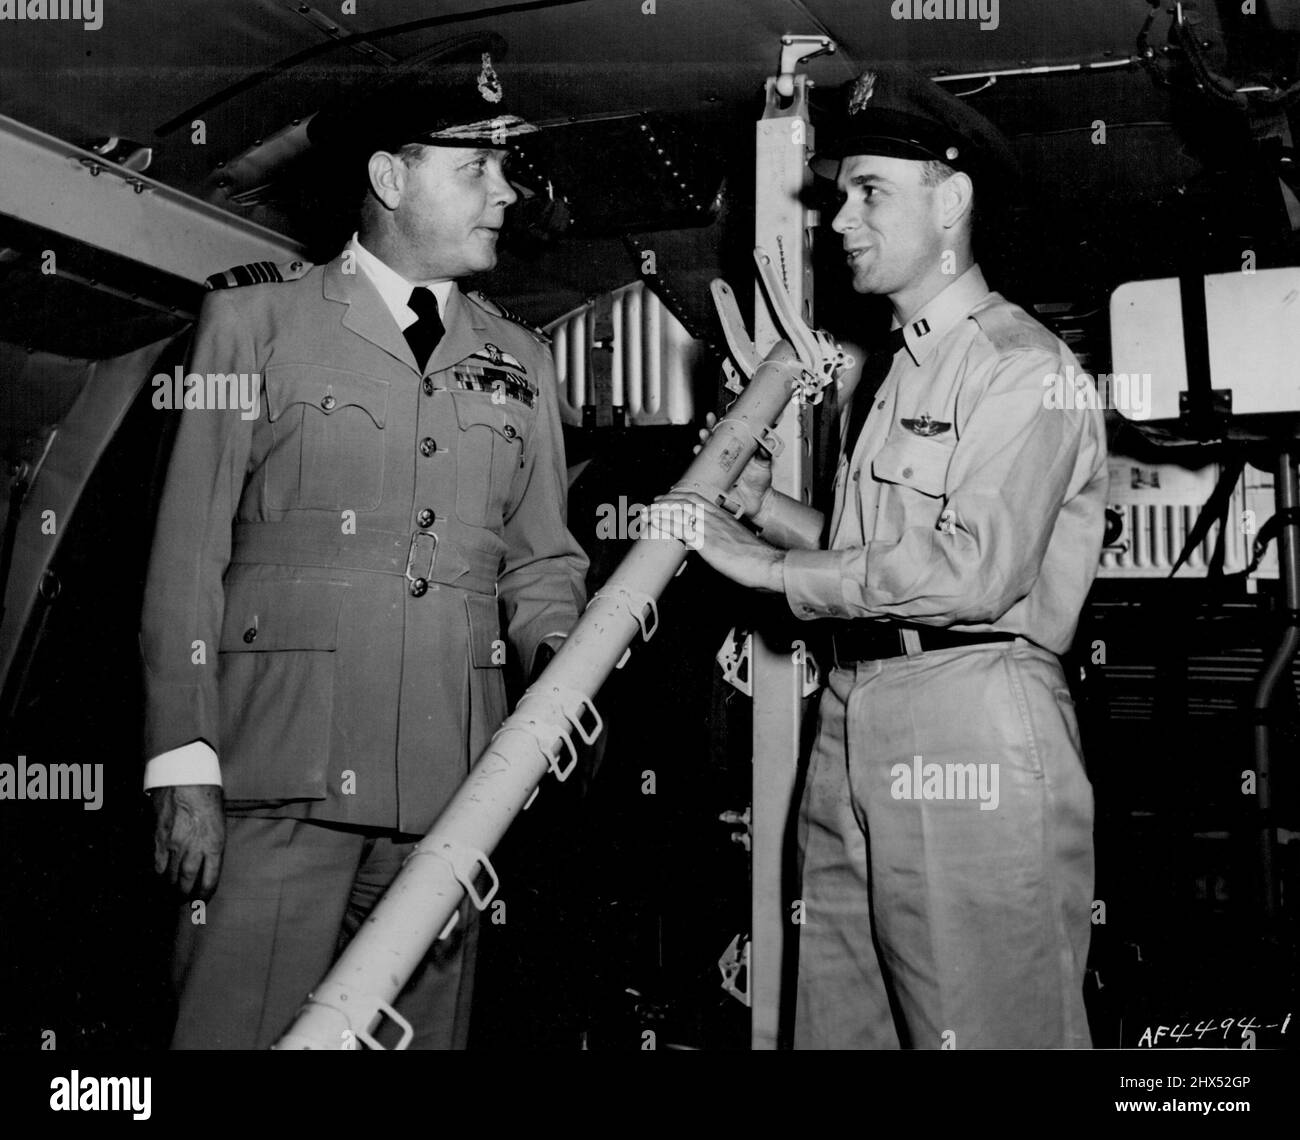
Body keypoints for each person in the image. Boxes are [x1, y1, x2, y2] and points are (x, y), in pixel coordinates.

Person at [140, 52, 588, 1050]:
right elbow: (184, 560)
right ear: (389, 179)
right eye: (475, 167)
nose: (506, 192)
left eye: (505, 168)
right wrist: (184, 765)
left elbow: (542, 564)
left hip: (454, 792)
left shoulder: (523, 359)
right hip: (276, 777)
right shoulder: (253, 323)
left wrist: (559, 659)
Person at [655, 66, 1108, 1049]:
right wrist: (761, 509)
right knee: (840, 1020)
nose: (837, 220)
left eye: (869, 193)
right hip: (859, 705)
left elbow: (973, 574)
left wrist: (762, 570)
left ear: (950, 203)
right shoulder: (906, 367)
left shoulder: (1023, 367)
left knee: (987, 1028)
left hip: (971, 714)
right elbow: (873, 553)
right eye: (838, 195)